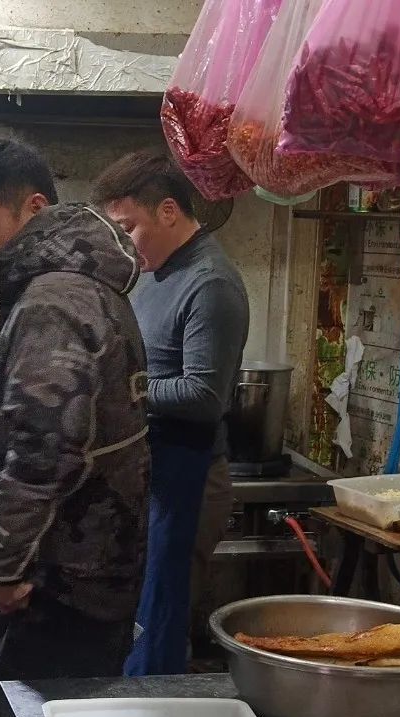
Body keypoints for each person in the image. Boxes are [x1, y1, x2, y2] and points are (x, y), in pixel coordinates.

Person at [0, 138, 151, 717]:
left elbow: (42, 448)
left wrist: (3, 564)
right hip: (84, 563)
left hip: (65, 575)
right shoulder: (71, 287)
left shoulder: (55, 301)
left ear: (33, 207)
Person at [92, 151, 249, 677]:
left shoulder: (210, 283)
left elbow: (205, 396)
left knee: (159, 619)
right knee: (136, 620)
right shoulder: (156, 274)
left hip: (190, 477)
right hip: (152, 473)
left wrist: (121, 389)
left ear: (167, 211)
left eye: (127, 228)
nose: (124, 244)